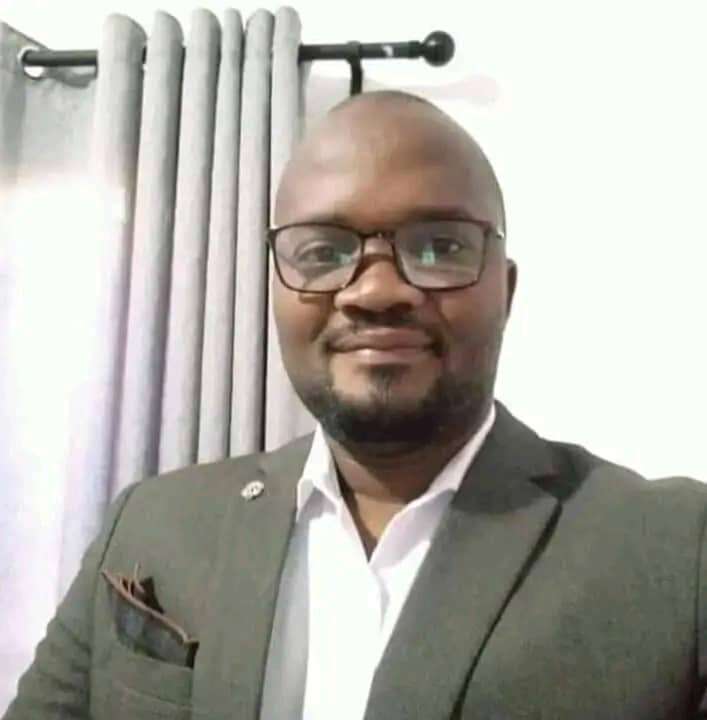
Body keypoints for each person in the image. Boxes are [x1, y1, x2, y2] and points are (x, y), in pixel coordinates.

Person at [4, 90, 707, 720]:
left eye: (439, 246)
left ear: (506, 290)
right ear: (275, 290)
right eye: (321, 252)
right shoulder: (153, 523)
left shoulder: (676, 551)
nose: (375, 291)